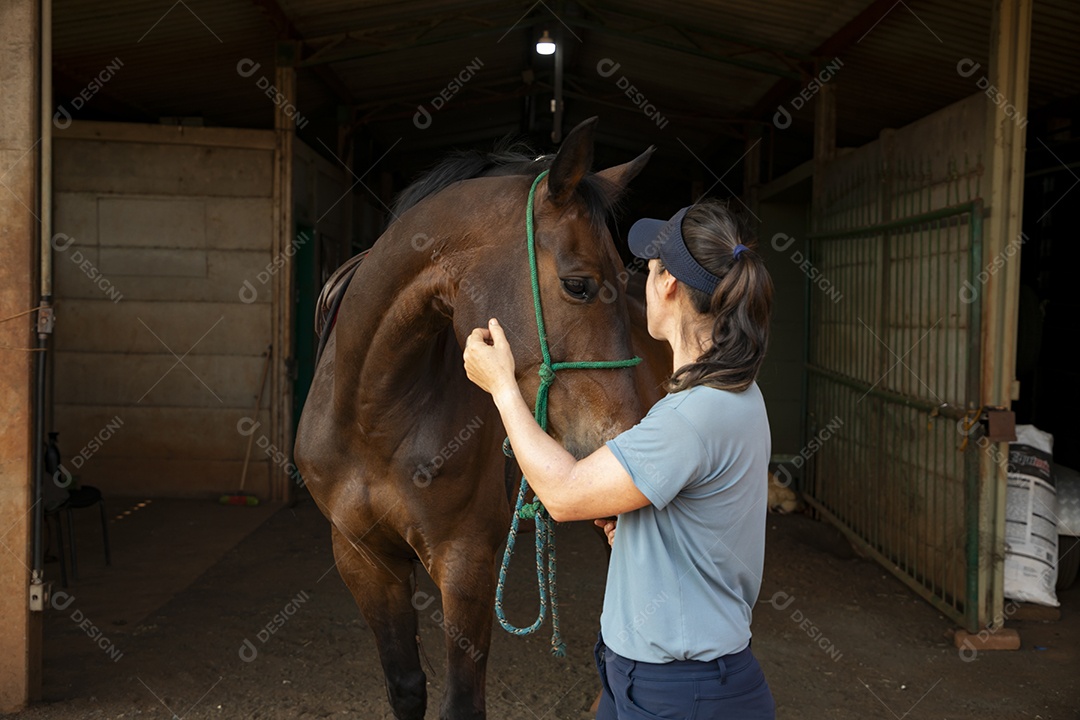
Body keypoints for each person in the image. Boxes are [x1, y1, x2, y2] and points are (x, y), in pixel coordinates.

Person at [463, 199, 776, 719]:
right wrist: (639, 532)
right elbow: (698, 521)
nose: (640, 285)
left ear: (669, 285)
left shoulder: (689, 417)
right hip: (643, 677)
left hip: (680, 692)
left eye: (647, 272)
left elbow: (563, 495)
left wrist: (501, 388)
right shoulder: (735, 394)